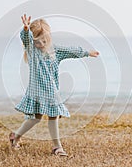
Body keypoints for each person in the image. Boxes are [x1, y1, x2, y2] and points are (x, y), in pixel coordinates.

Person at [9, 14, 99, 156]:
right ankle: (16, 136)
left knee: (53, 115)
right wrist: (25, 29)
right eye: (38, 41)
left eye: (44, 41)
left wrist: (87, 53)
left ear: (49, 37)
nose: (42, 44)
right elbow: (25, 39)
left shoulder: (55, 50)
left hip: (51, 92)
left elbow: (71, 50)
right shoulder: (32, 50)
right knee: (35, 119)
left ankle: (57, 147)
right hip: (36, 91)